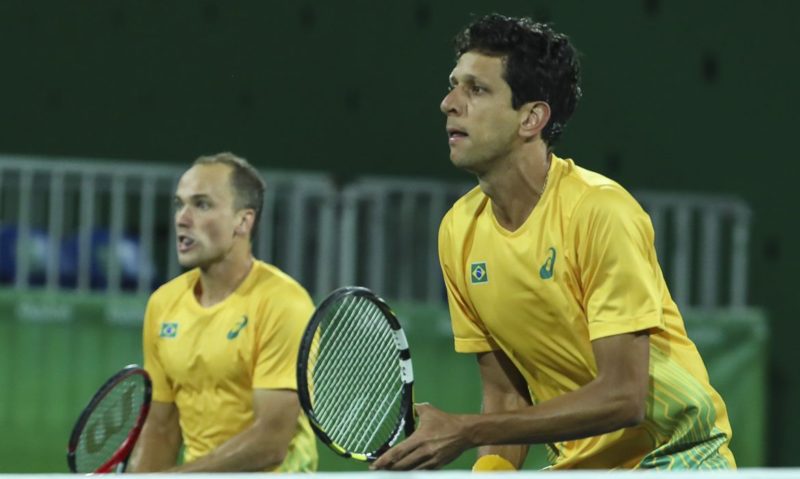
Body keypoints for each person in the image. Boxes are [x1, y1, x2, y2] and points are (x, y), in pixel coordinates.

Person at [373, 14, 735, 471]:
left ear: (531, 118)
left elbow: (625, 397)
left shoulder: (600, 211)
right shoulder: (458, 231)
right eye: (453, 85)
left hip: (676, 456)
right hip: (574, 468)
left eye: (476, 89)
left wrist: (466, 430)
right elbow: (504, 394)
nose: (449, 103)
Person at [128, 153, 317, 472]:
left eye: (201, 205)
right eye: (179, 204)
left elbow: (270, 442)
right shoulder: (163, 304)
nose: (182, 219)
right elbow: (161, 429)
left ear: (243, 221)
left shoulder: (284, 303)